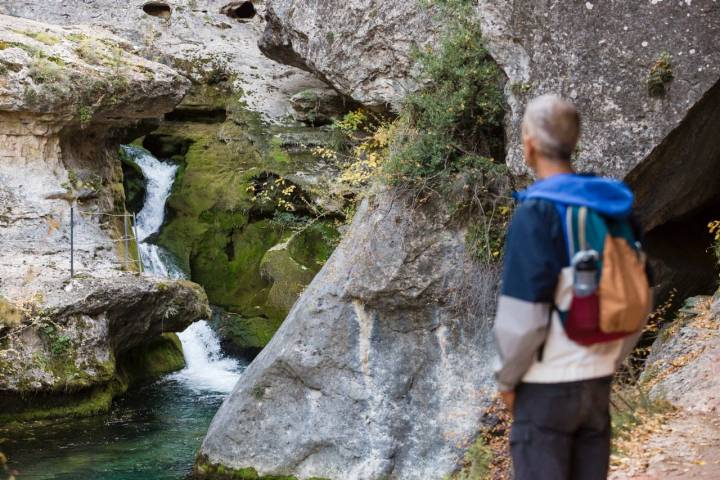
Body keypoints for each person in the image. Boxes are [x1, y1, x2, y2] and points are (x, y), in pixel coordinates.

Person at [493, 95, 648, 480]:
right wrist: (610, 359)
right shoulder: (613, 206)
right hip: (597, 384)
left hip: (546, 390)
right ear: (574, 141)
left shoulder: (538, 211)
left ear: (528, 144)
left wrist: (506, 379)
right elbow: (639, 292)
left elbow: (524, 315)